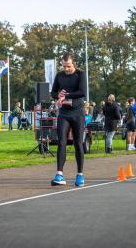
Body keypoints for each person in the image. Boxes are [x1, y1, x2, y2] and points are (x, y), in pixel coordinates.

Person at [50, 52, 87, 187]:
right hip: (64, 113)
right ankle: (59, 174)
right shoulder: (59, 76)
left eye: (69, 66)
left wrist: (66, 96)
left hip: (78, 113)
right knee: (61, 142)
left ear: (74, 64)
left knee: (78, 143)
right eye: (64, 66)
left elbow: (82, 92)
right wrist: (57, 95)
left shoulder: (80, 74)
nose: (66, 69)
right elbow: (53, 92)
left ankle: (80, 175)